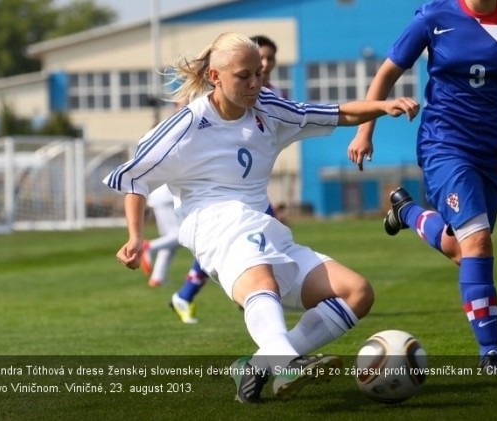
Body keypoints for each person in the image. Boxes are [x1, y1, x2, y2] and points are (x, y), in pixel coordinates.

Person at [105, 32, 419, 403]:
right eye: (243, 76)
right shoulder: (187, 125)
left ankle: (257, 367)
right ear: (215, 76)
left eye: (258, 73)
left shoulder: (268, 108)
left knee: (356, 293)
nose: (255, 83)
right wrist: (134, 236)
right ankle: (288, 362)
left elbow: (335, 113)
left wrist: (381, 107)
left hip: (258, 224)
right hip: (212, 224)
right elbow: (134, 177)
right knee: (261, 278)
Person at [347, 0, 497, 371]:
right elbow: (387, 73)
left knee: (462, 248)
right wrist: (365, 130)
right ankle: (491, 353)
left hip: (492, 150)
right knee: (479, 241)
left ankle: (407, 212)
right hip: (444, 144)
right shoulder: (435, 16)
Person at [168, 34, 282, 323]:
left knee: (258, 240)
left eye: (268, 59)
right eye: (260, 59)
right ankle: (247, 293)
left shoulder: (272, 95)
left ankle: (239, 293)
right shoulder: (206, 100)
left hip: (250, 185)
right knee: (235, 242)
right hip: (217, 191)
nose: (265, 64)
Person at [139, 184, 182, 288]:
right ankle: (148, 247)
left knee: (169, 241)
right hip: (166, 196)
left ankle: (157, 278)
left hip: (162, 196)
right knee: (179, 235)